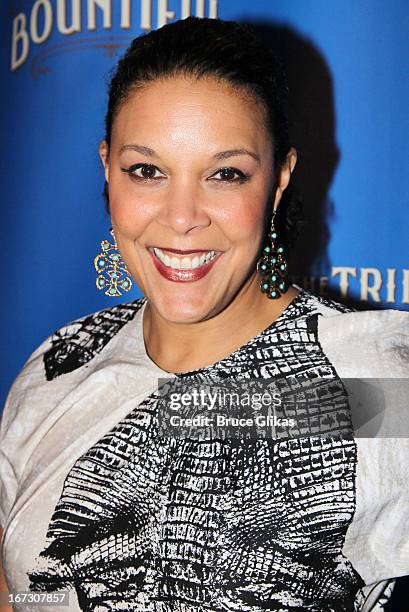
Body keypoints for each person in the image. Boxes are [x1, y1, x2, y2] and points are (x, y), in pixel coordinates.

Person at [1, 15, 408, 612]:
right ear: (106, 167)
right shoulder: (56, 368)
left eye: (225, 174)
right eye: (147, 171)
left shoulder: (373, 377)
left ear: (278, 181)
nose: (183, 215)